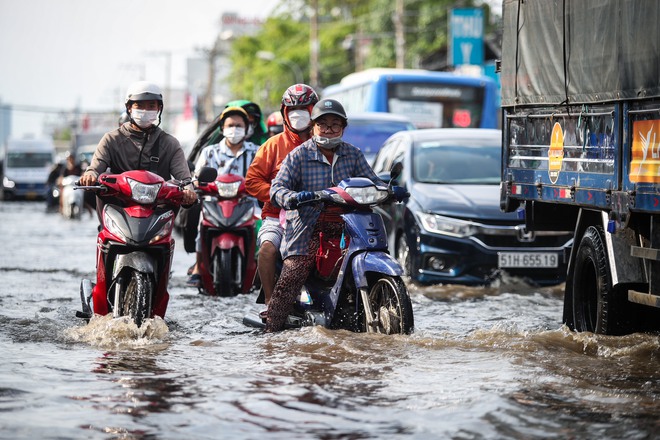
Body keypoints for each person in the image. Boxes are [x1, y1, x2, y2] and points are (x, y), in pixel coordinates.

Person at [266, 98, 407, 332]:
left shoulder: (353, 154)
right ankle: (272, 329)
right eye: (323, 124)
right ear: (313, 127)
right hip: (310, 226)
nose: (329, 129)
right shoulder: (298, 156)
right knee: (295, 271)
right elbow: (277, 188)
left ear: (343, 127)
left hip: (350, 225)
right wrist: (292, 197)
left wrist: (390, 189)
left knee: (376, 251)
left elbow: (372, 181)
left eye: (335, 124)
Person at [245, 83, 319, 318]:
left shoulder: (326, 143)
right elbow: (252, 181)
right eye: (293, 111)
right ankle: (270, 302)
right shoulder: (272, 145)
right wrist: (281, 196)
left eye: (305, 110)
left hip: (320, 214)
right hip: (277, 214)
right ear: (285, 114)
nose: (299, 116)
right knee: (267, 249)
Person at [79, 81, 196, 208]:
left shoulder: (170, 143)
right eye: (139, 105)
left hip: (158, 211)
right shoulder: (111, 140)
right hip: (118, 209)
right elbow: (95, 168)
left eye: (151, 106)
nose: (145, 110)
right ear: (129, 108)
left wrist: (188, 189)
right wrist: (90, 175)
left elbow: (185, 180)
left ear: (159, 109)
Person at [186, 106, 259, 287]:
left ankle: (258, 268)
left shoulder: (256, 151)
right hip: (214, 202)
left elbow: (264, 175)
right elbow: (197, 179)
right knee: (200, 225)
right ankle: (198, 265)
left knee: (263, 228)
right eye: (230, 125)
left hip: (247, 202)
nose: (235, 129)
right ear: (222, 128)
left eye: (239, 125)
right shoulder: (210, 152)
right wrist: (198, 185)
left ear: (247, 128)